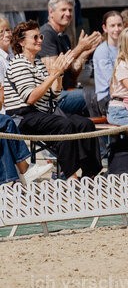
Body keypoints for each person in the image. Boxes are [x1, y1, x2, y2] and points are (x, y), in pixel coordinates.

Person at [3, 21, 102, 180]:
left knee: (85, 124)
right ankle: (70, 177)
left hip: (42, 113)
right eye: (35, 37)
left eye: (40, 36)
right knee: (64, 125)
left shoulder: (38, 64)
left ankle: (91, 174)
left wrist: (60, 74)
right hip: (23, 117)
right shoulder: (18, 64)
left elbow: (53, 96)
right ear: (21, 42)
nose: (39, 40)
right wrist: (54, 74)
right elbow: (31, 98)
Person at [38, 0, 102, 116]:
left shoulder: (64, 37)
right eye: (63, 9)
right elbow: (55, 69)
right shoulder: (45, 34)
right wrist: (80, 47)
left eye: (70, 10)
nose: (68, 14)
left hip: (66, 92)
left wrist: (84, 54)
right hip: (51, 98)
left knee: (100, 94)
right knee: (96, 95)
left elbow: (72, 76)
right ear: (51, 12)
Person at [92, 10, 123, 110]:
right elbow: (112, 81)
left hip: (124, 94)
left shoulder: (125, 48)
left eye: (119, 25)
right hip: (107, 98)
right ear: (105, 28)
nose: (117, 29)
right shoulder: (102, 51)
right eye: (112, 25)